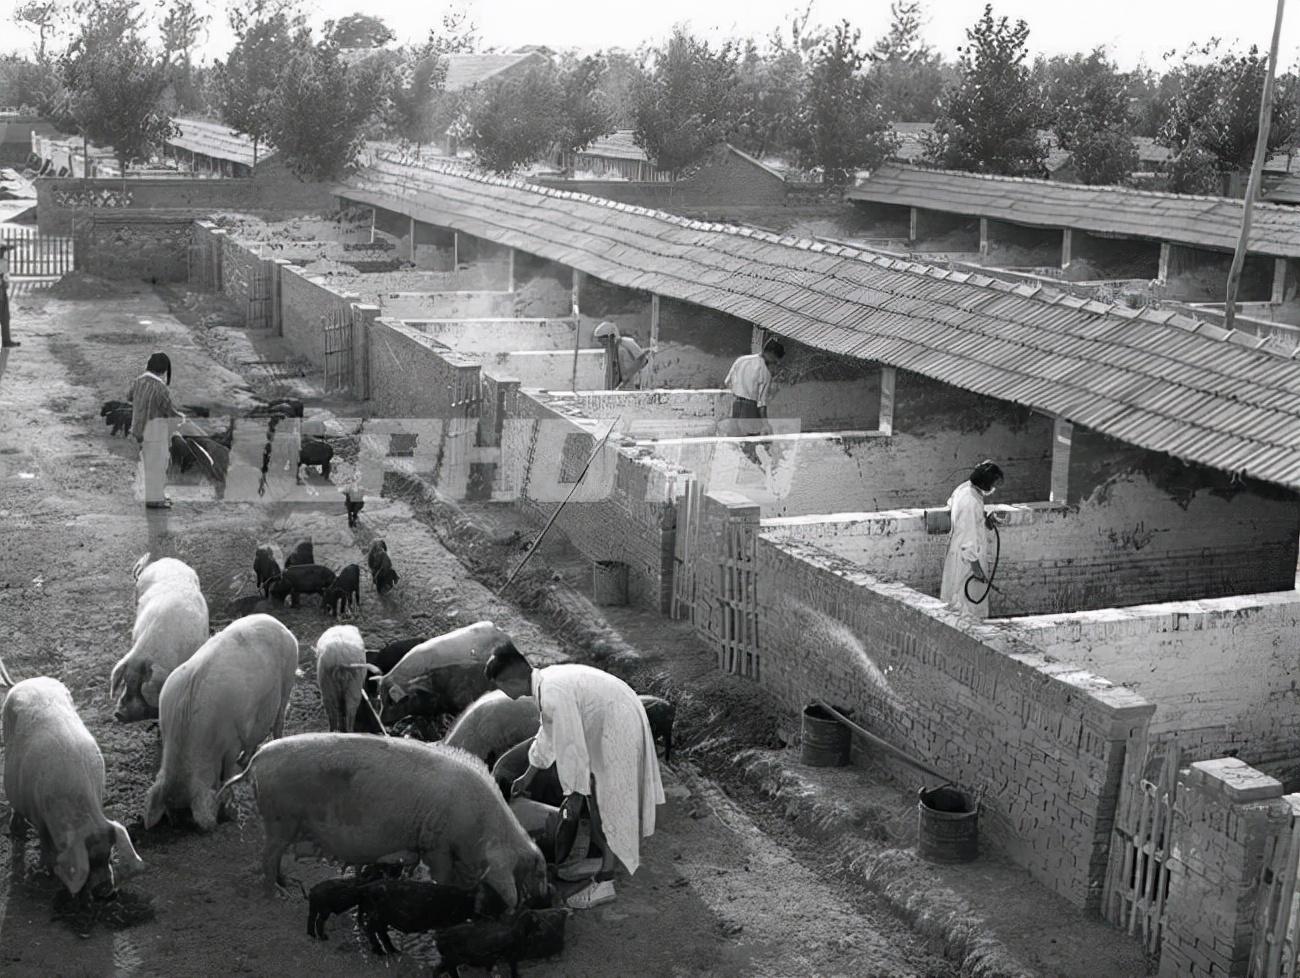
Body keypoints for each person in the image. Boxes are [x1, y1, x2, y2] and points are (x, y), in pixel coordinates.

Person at [485, 642, 665, 911]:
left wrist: (574, 793)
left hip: (616, 723)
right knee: (596, 799)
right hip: (613, 716)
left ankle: (605, 880)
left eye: (499, 686)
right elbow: (549, 734)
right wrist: (528, 773)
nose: (501, 692)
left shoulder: (552, 693)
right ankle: (605, 861)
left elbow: (572, 748)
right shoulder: (545, 684)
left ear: (508, 681)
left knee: (598, 802)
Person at [939, 460, 1005, 619]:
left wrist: (984, 520)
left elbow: (959, 513)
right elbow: (968, 543)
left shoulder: (964, 489)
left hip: (958, 554)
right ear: (986, 482)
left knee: (956, 603)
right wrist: (977, 571)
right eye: (994, 483)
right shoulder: (971, 502)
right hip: (967, 562)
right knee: (967, 608)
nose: (994, 487)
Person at [129, 352, 185, 510]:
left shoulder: (138, 381)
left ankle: (156, 495)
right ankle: (154, 500)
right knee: (159, 464)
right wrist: (181, 417)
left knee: (149, 464)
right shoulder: (161, 388)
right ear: (163, 370)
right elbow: (169, 411)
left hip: (139, 430)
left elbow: (129, 396)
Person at [724, 338, 784, 437]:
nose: (775, 363)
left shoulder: (741, 360)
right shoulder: (765, 373)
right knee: (753, 442)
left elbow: (727, 382)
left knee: (737, 441)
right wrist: (766, 424)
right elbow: (761, 403)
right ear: (771, 354)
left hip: (735, 405)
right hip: (750, 408)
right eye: (775, 360)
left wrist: (739, 390)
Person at [592, 321, 650, 390]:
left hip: (633, 386)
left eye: (602, 340)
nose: (602, 344)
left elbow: (642, 360)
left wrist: (627, 376)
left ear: (610, 337)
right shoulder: (609, 351)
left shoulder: (627, 343)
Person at [0, 243, 16, 349]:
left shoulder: (4, 262)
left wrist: (5, 282)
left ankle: (6, 340)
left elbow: (5, 277)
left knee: (5, 317)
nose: (2, 252)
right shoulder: (3, 262)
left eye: (3, 250)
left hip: (2, 290)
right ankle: (6, 340)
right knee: (4, 315)